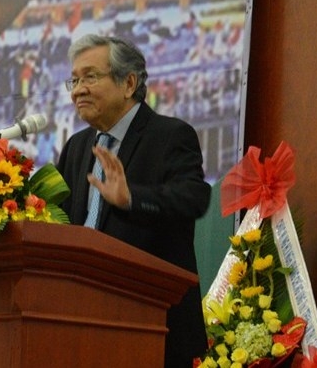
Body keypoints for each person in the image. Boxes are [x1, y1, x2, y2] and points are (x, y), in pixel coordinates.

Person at [57, 34, 211, 367]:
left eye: (90, 77)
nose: (78, 89)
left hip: (154, 326)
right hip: (80, 324)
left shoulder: (170, 135)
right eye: (74, 79)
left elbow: (194, 199)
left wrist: (131, 199)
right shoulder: (76, 147)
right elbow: (59, 223)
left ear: (128, 83)